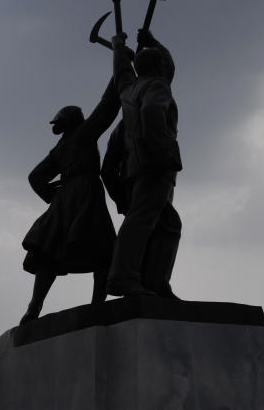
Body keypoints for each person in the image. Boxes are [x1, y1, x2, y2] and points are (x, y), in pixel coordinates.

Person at [19, 78, 122, 324]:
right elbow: (108, 105)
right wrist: (118, 75)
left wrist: (52, 195)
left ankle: (34, 307)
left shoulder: (59, 149)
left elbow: (35, 177)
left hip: (64, 199)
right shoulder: (85, 134)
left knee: (49, 251)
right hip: (86, 193)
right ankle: (98, 304)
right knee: (105, 250)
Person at [106, 28, 183, 299]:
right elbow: (152, 110)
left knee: (168, 224)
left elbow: (121, 73)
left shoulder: (128, 90)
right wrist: (161, 152)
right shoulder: (157, 86)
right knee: (141, 219)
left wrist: (118, 46)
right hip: (155, 162)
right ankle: (123, 277)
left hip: (135, 167)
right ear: (159, 68)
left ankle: (155, 282)